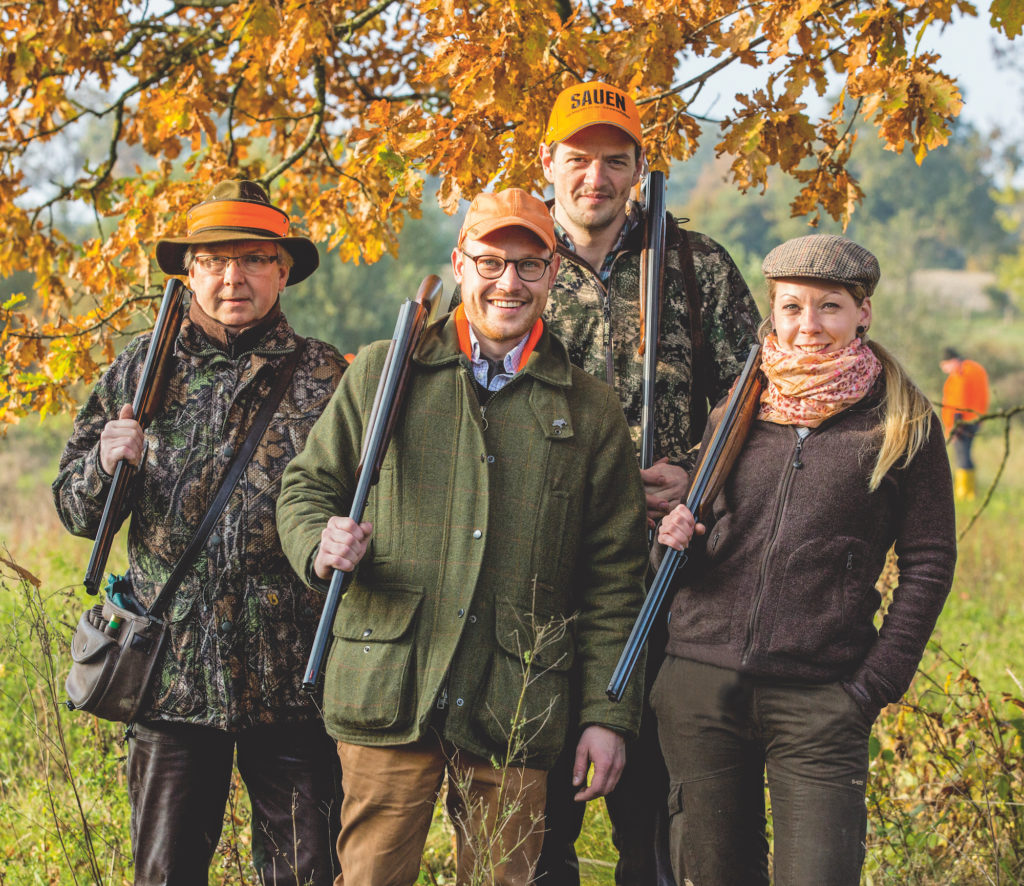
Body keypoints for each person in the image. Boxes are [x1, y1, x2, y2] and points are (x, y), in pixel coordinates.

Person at [275, 188, 649, 886]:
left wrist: (606, 713)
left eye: (530, 265)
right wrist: (317, 544)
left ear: (553, 275)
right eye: (490, 261)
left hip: (515, 699)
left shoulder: (591, 410)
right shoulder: (385, 372)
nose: (509, 282)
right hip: (389, 686)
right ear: (458, 264)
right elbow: (305, 490)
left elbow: (614, 578)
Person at [53, 180, 346, 886]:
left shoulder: (328, 378)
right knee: (164, 876)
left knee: (307, 876)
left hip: (297, 682)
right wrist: (104, 461)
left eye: (252, 258)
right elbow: (73, 509)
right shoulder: (138, 370)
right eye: (213, 260)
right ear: (190, 273)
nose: (232, 277)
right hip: (170, 681)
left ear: (283, 269)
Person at [652, 234, 957, 885]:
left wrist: (873, 685)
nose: (808, 326)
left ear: (862, 313)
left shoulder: (903, 421)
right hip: (701, 685)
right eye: (792, 307)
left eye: (829, 308)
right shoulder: (736, 409)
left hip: (822, 694)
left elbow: (929, 562)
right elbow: (709, 540)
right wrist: (677, 535)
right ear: (773, 311)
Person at [536, 80, 762, 886]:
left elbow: (755, 408)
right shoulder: (513, 265)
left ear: (638, 169)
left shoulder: (697, 268)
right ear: (547, 163)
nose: (595, 177)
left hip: (676, 586)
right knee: (535, 830)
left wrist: (698, 476)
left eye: (614, 160)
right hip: (541, 586)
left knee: (660, 832)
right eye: (578, 159)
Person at [940, 346, 990, 500]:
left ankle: (963, 492)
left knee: (961, 455)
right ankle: (971, 491)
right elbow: (984, 395)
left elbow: (958, 401)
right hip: (975, 418)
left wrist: (954, 426)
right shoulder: (977, 369)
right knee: (967, 454)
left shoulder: (959, 373)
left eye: (945, 365)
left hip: (960, 422)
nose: (945, 370)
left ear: (951, 361)